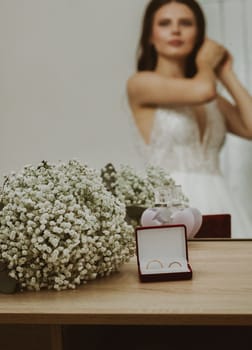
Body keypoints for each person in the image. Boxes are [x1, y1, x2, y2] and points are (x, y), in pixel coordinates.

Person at [127, 0, 252, 238]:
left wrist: (226, 72)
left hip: (222, 201)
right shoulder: (141, 83)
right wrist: (205, 62)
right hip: (168, 208)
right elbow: (203, 90)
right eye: (165, 23)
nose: (176, 30)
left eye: (185, 23)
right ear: (150, 36)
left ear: (199, 35)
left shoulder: (212, 97)